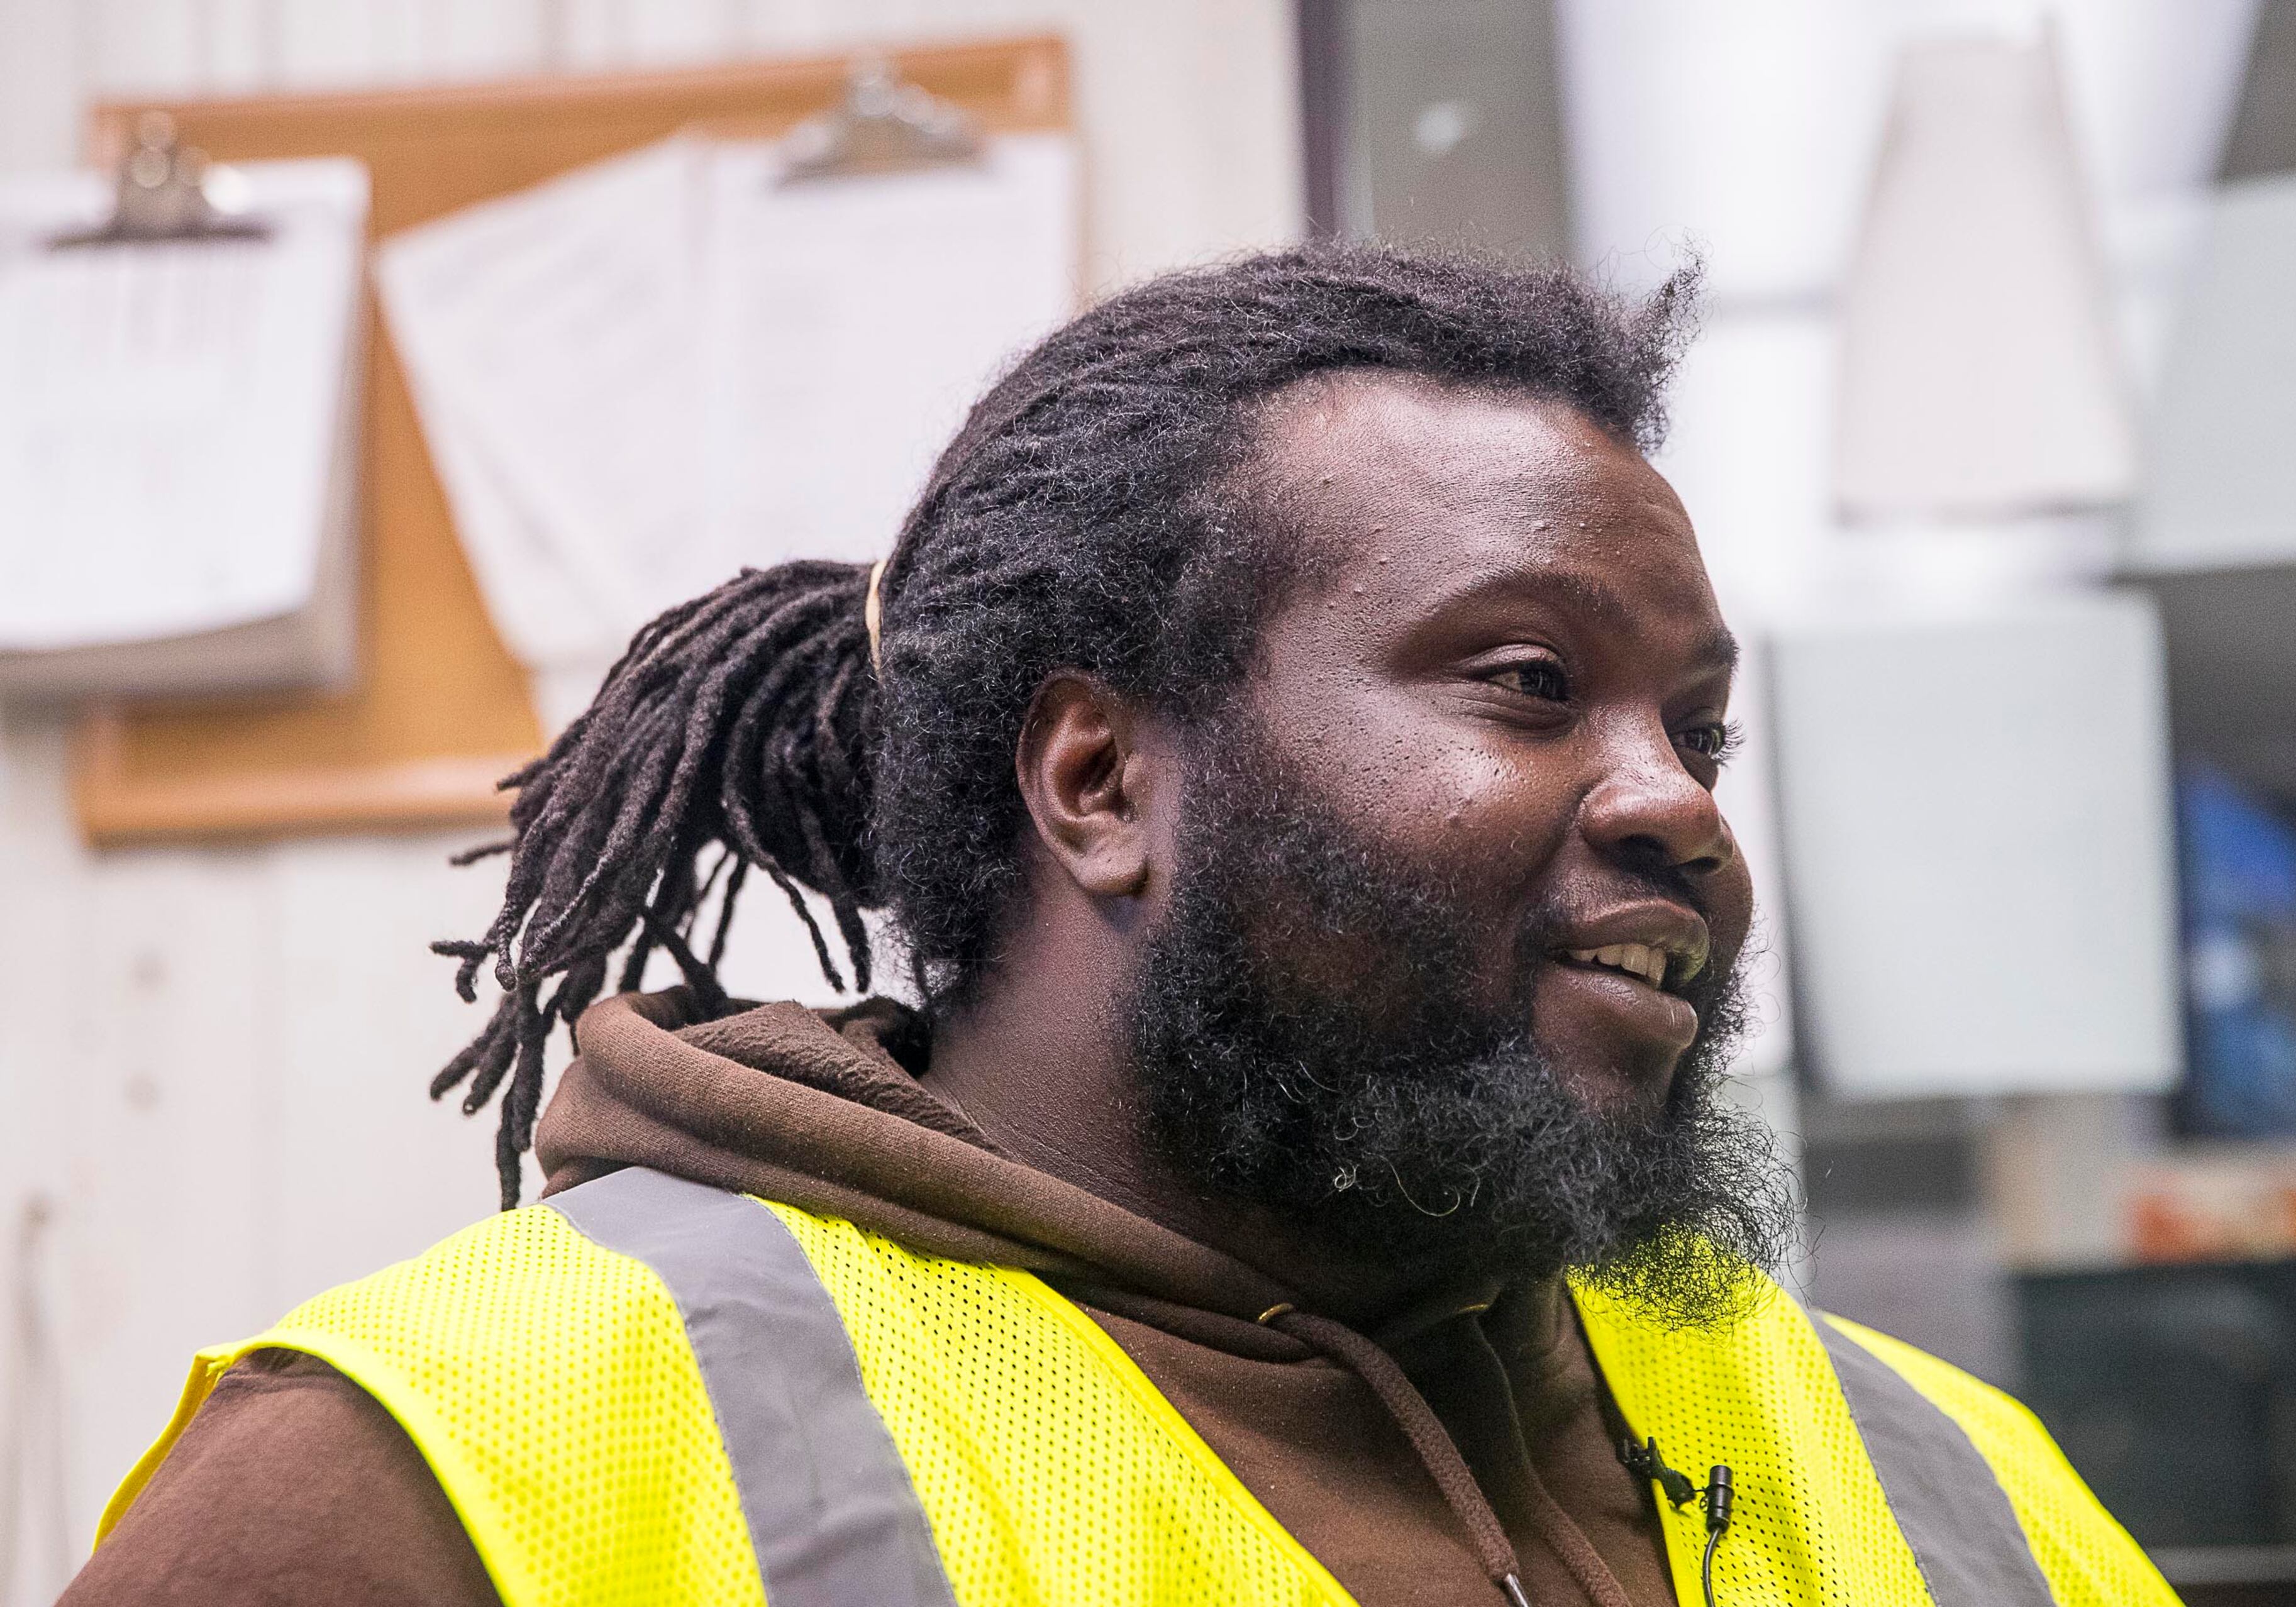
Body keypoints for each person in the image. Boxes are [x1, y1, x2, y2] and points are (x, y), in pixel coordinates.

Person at [64, 246, 2174, 1607]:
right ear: (1099, 781)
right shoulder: (454, 1468)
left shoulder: (1943, 1480)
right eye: (1528, 683)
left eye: (1697, 725)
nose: (1681, 809)